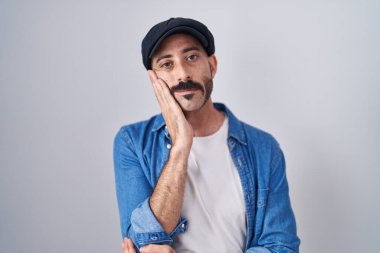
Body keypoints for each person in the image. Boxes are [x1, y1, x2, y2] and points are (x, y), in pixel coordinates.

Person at [114, 17, 300, 253]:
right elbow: (142, 244)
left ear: (212, 65)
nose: (182, 74)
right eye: (167, 64)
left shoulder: (264, 148)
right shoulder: (132, 143)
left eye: (191, 57)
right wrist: (181, 146)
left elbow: (281, 247)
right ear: (154, 79)